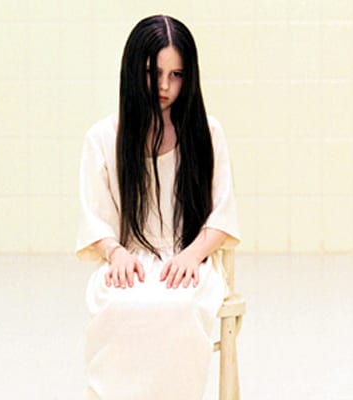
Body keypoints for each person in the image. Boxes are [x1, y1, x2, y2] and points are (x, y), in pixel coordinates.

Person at [75, 15, 240, 400]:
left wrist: (192, 256)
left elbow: (222, 213)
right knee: (118, 305)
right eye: (154, 73)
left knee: (179, 305)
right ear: (133, 70)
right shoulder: (102, 138)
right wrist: (115, 254)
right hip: (129, 258)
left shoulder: (207, 133)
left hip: (188, 258)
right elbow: (94, 216)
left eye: (176, 75)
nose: (165, 86)